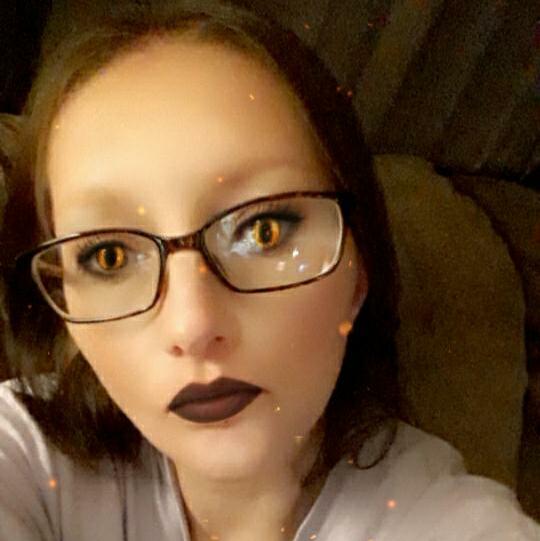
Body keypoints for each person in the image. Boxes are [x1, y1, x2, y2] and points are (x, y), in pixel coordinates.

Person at [0, 1, 538, 540]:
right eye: (109, 256)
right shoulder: (24, 446)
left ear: (359, 269)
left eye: (263, 231)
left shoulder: (452, 522)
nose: (192, 327)